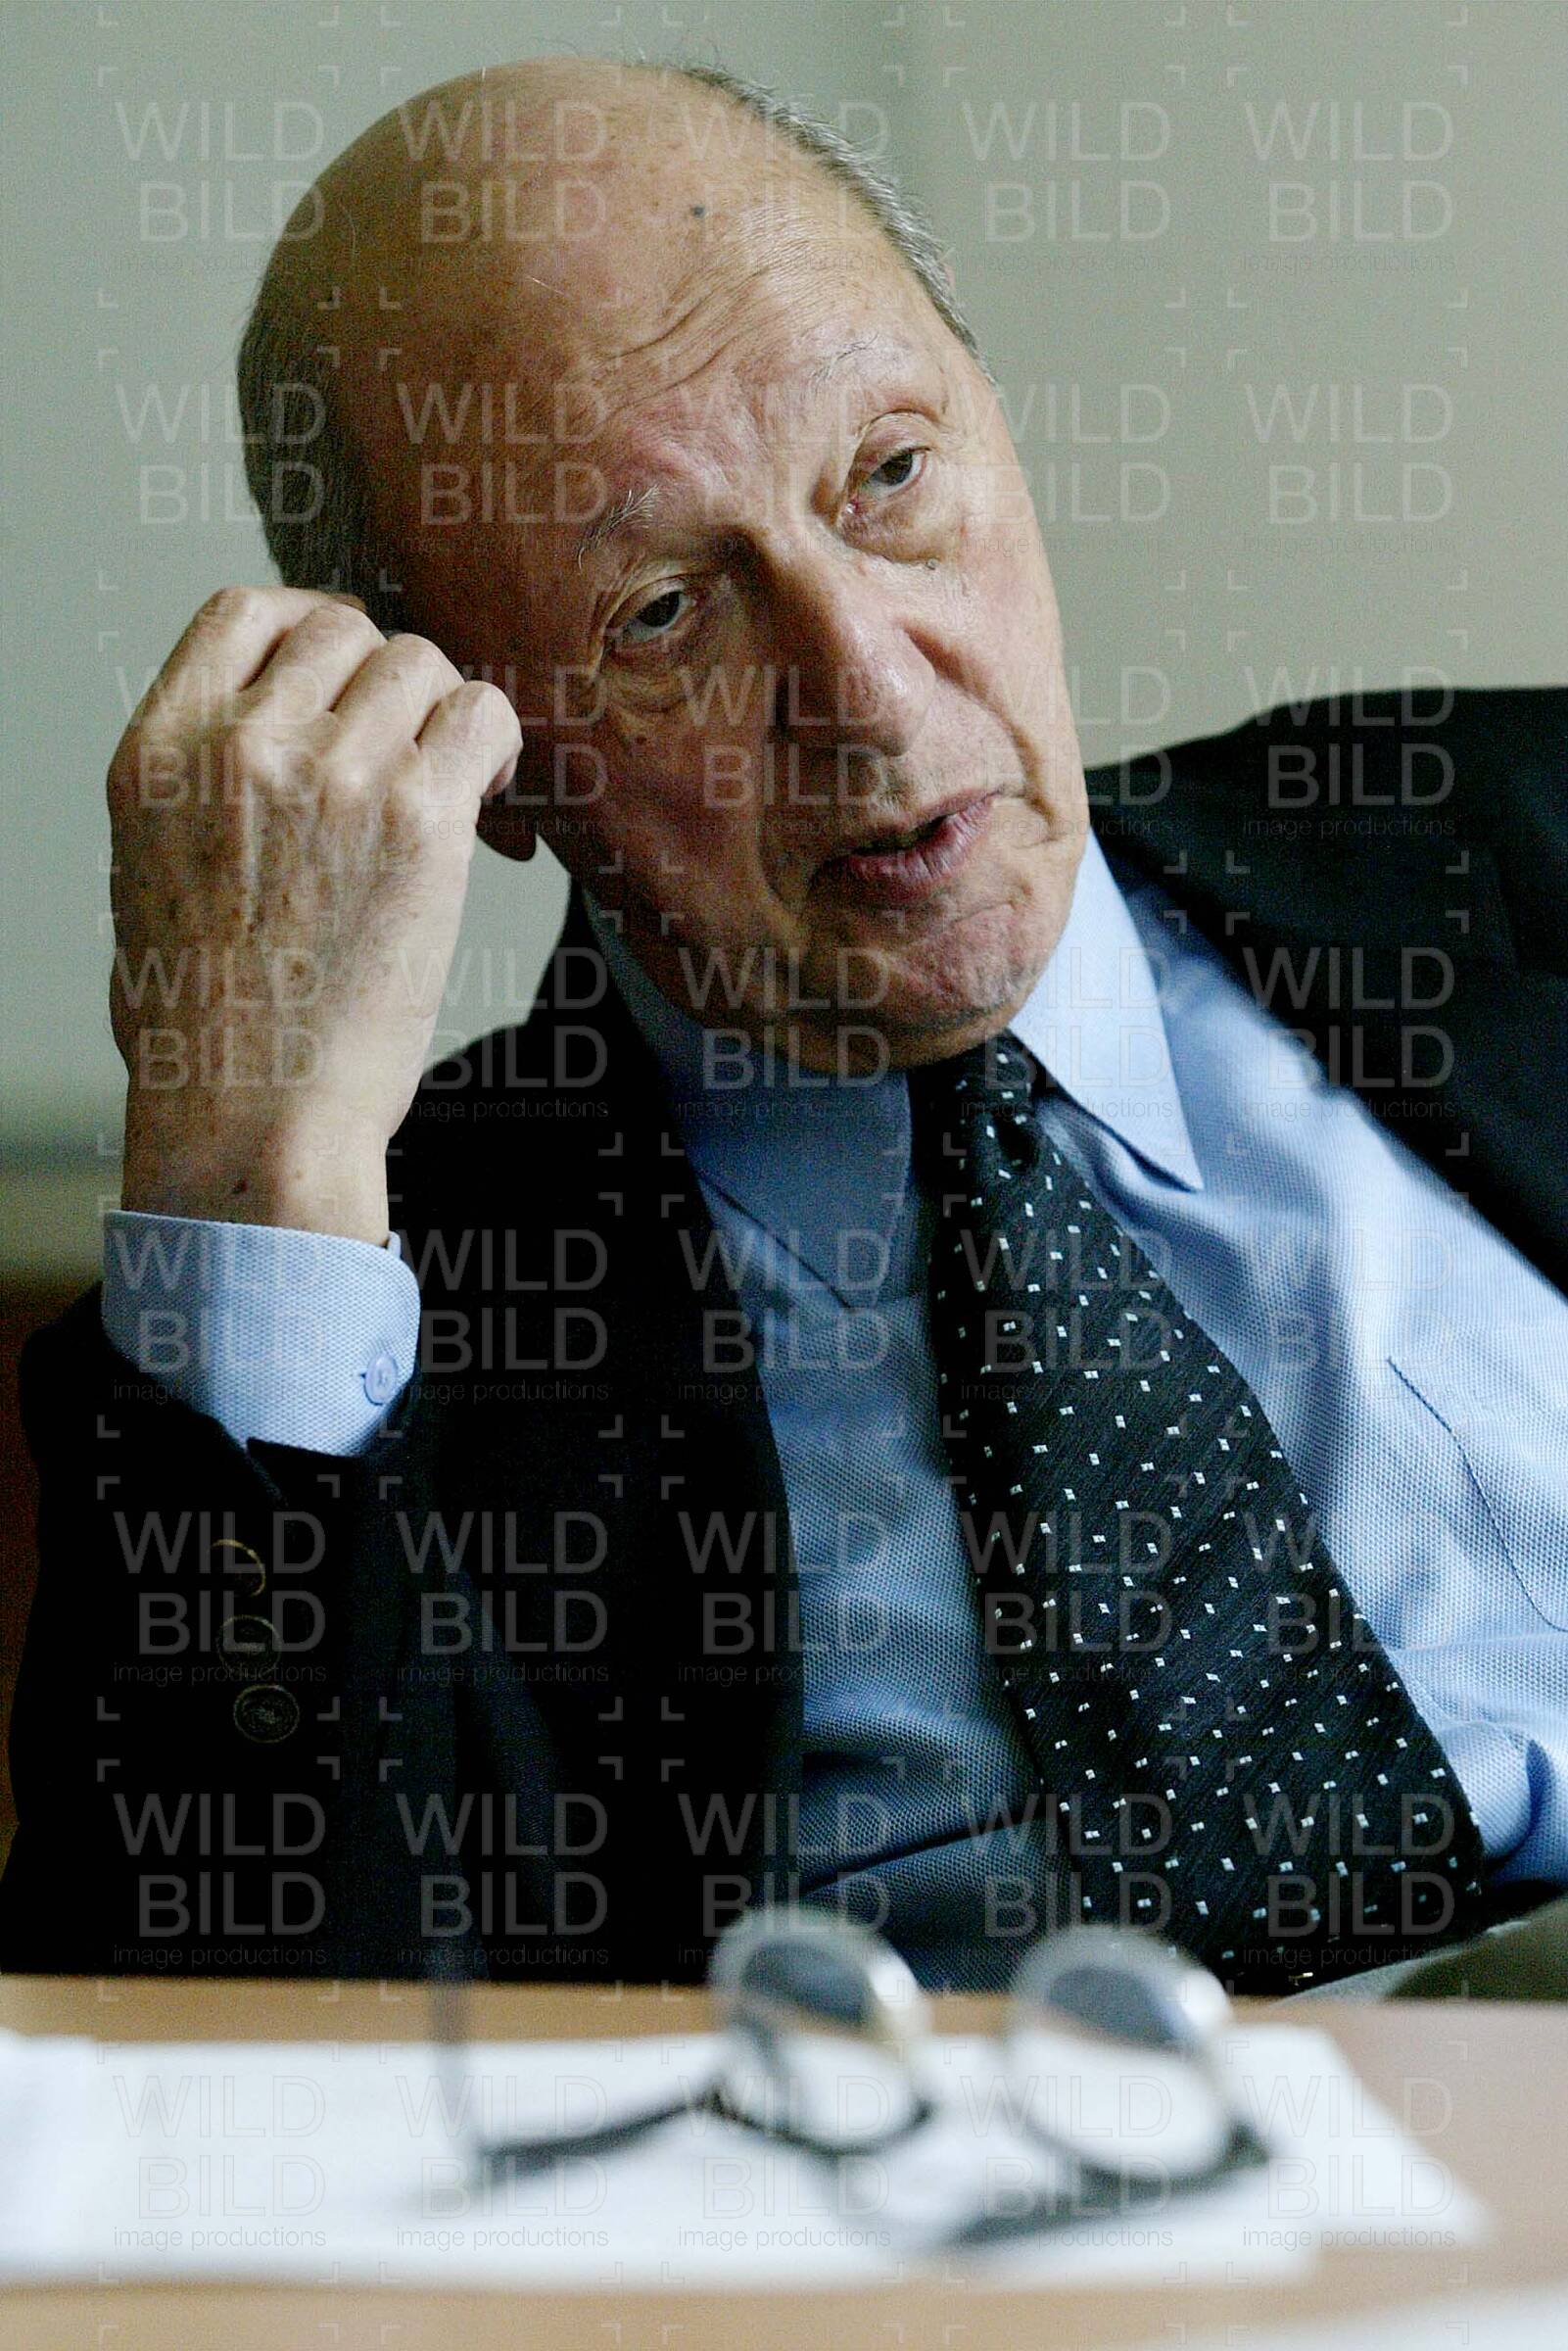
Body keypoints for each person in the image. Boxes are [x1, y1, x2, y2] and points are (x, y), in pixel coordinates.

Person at [3, 57, 1564, 1993]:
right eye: (664, 613)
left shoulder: (1517, 845)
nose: (872, 694)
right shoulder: (394, 1343)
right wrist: (251, 1174)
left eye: (891, 477)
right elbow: (202, 2071)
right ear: (472, 748)